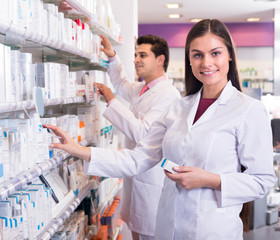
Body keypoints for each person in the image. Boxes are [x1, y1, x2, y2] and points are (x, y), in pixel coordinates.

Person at [45, 19, 276, 240]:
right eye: (197, 55)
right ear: (189, 60)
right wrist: (79, 150)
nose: (206, 63)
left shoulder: (248, 110)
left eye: (215, 53)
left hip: (212, 229)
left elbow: (261, 180)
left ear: (229, 56)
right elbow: (139, 158)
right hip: (167, 224)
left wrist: (211, 180)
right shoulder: (178, 107)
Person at [94, 35, 181, 240]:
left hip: (151, 179)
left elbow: (144, 134)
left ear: (160, 60)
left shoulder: (167, 94)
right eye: (135, 55)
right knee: (137, 232)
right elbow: (122, 83)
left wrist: (112, 101)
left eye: (143, 55)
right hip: (136, 176)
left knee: (148, 234)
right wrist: (113, 57)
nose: (136, 60)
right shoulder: (143, 88)